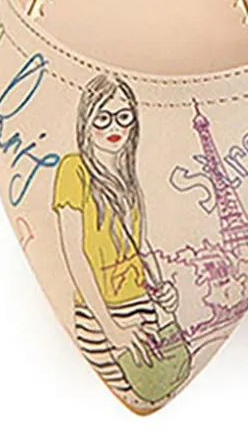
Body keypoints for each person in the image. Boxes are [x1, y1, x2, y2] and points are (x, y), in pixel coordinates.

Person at [53, 74, 179, 397]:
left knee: (156, 385)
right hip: (102, 309)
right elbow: (74, 253)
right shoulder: (74, 170)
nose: (115, 127)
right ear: (86, 121)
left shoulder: (127, 179)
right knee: (135, 387)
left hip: (141, 302)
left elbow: (140, 245)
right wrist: (110, 325)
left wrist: (161, 287)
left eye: (124, 117)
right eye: (103, 118)